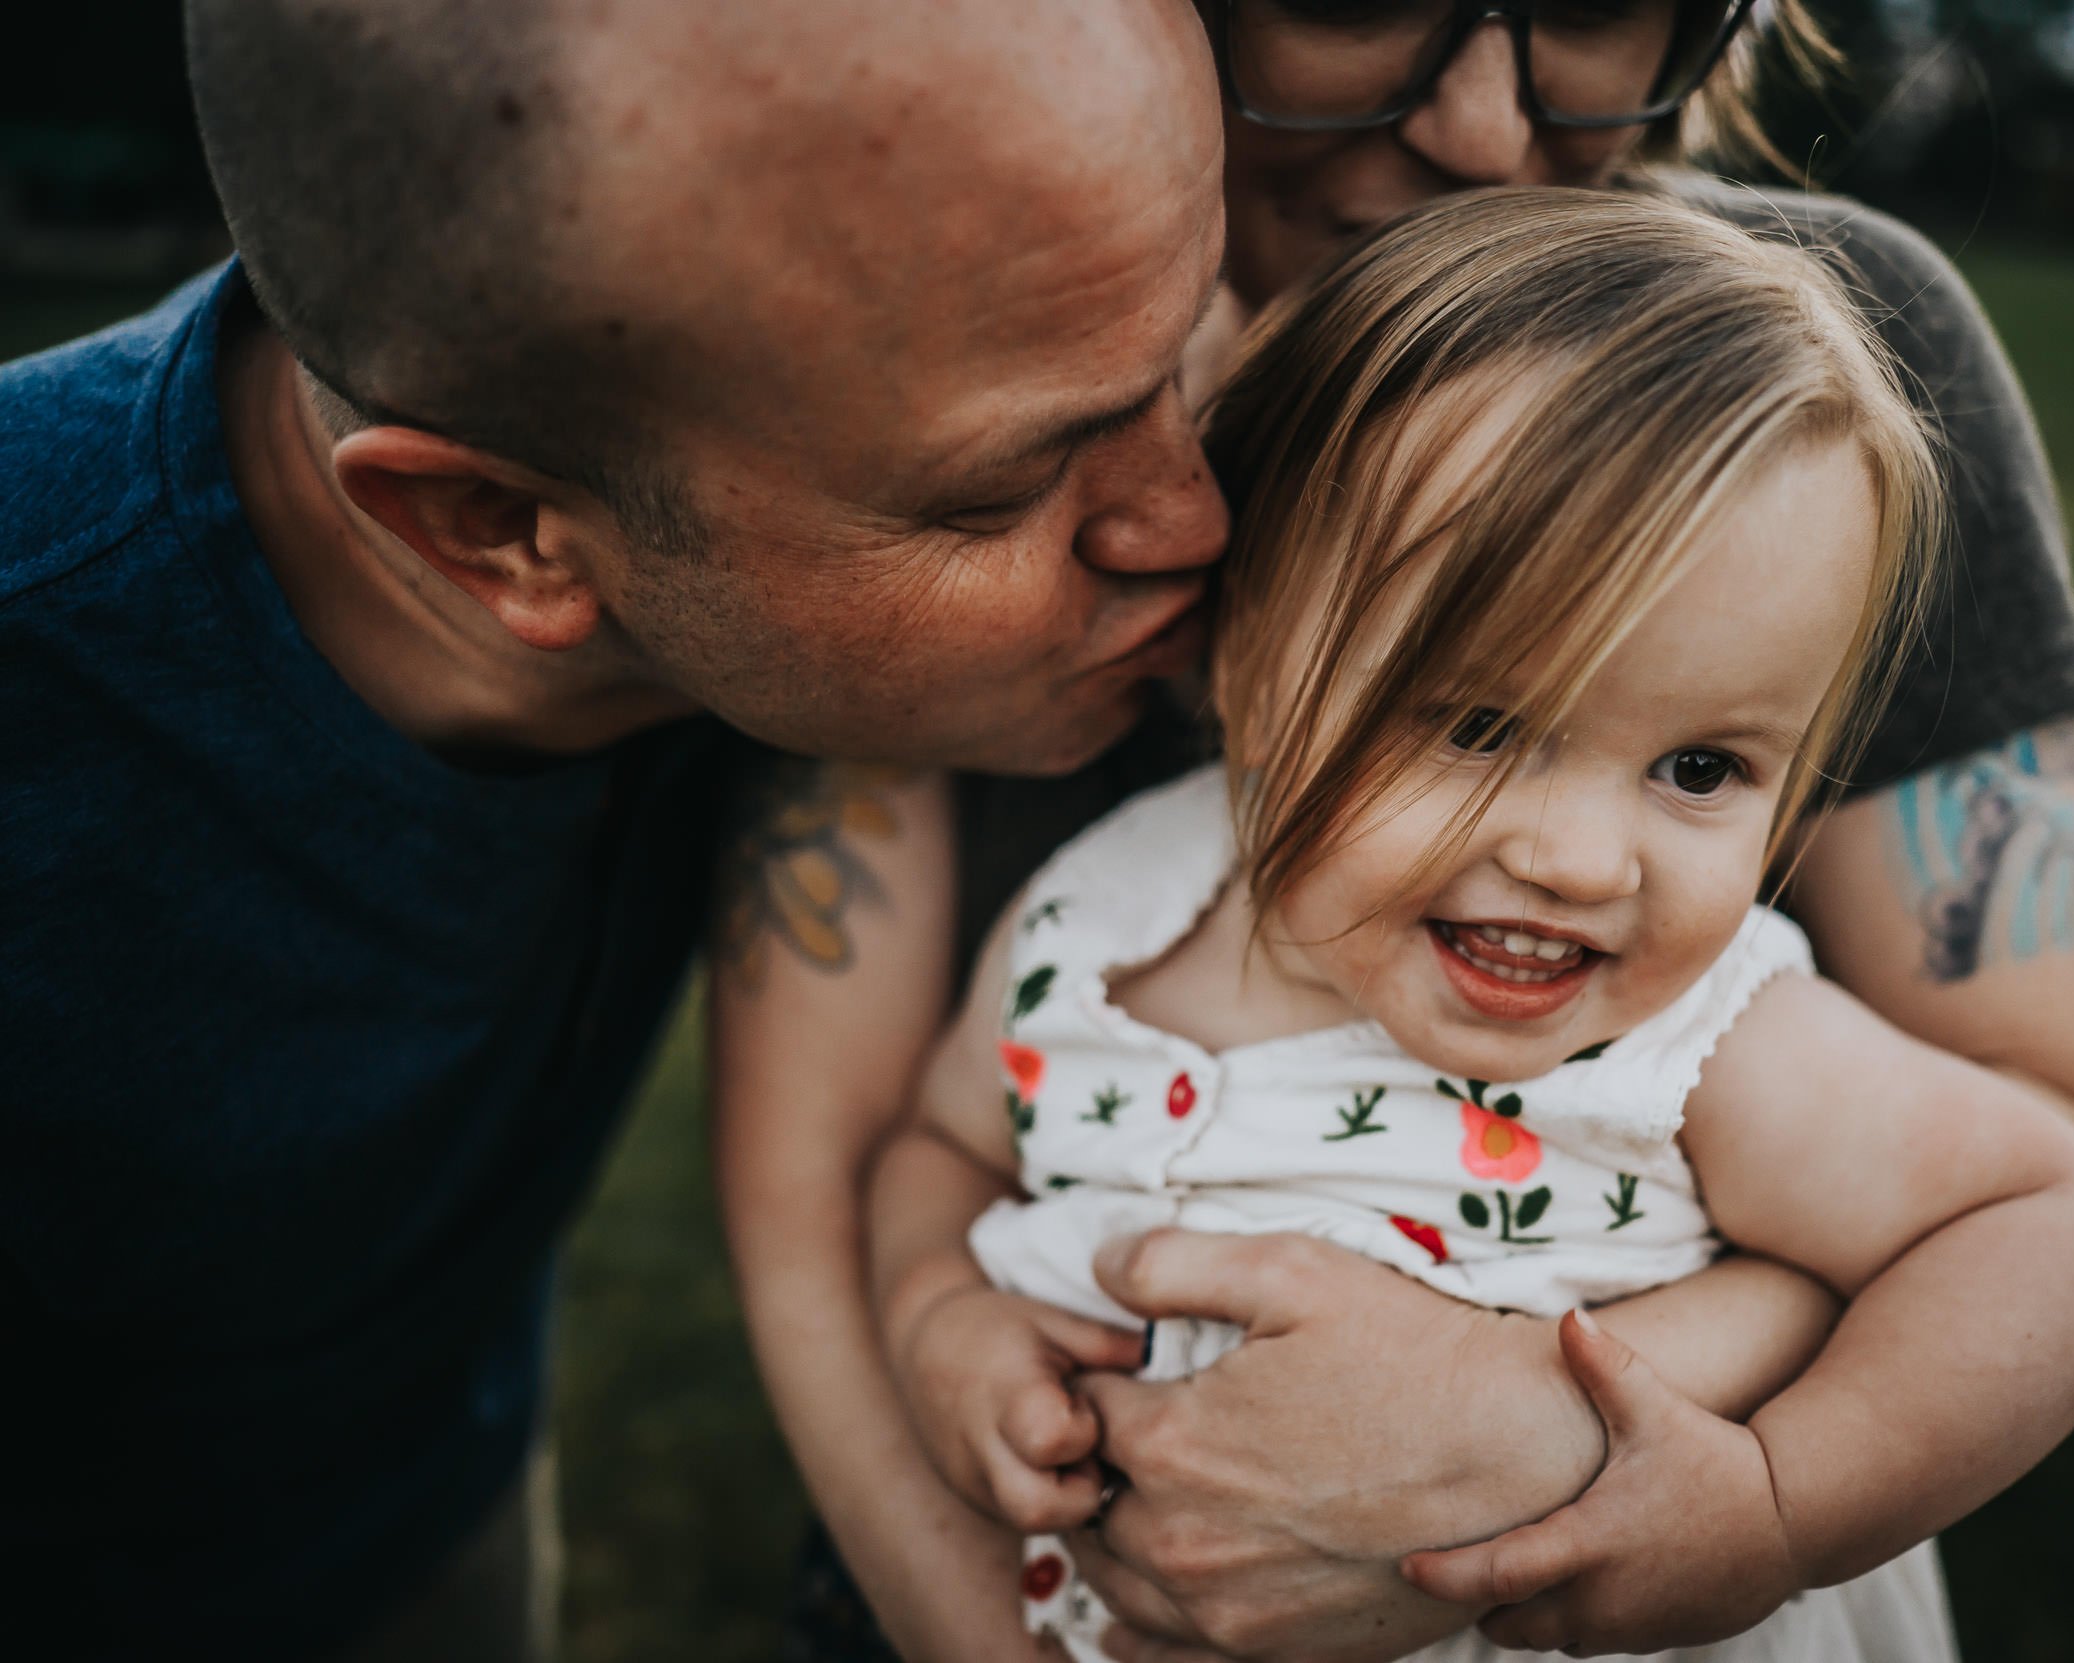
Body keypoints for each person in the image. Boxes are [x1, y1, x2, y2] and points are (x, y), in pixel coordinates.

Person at [728, 4, 2074, 1660]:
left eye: (1702, 770)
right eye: (1477, 725)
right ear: (1233, 653)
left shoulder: (1702, 1041)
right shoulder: (1095, 929)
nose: (1576, 857)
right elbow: (914, 1155)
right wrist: (939, 1322)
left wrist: (1761, 1496)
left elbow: (2068, 1226)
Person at [0, 0, 1228, 1656]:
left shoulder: (725, 450)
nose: (1195, 520)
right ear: (500, 533)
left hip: (440, 1518)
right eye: (1006, 491)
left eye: (1188, 354)